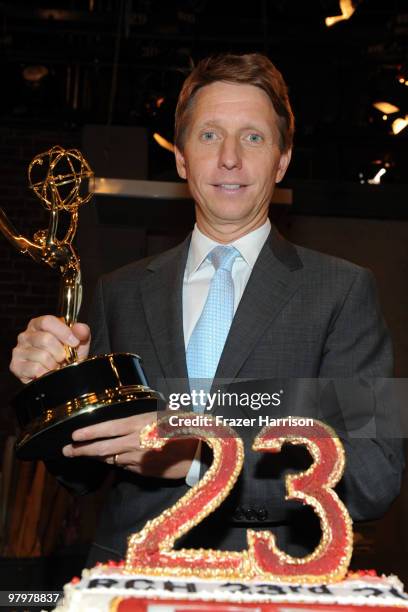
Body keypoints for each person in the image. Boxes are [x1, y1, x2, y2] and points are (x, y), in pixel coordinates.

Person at [10, 53, 404, 564]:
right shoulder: (118, 292)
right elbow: (81, 472)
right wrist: (53, 389)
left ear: (282, 160)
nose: (231, 158)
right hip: (128, 579)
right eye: (210, 135)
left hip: (276, 585)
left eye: (254, 137)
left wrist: (203, 460)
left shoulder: (345, 292)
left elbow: (375, 473)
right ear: (181, 157)